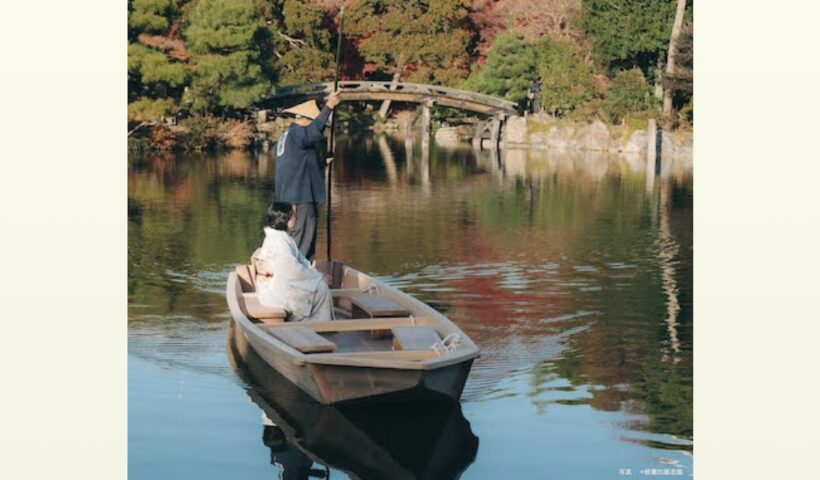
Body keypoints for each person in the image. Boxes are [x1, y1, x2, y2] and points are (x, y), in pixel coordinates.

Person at [275, 91, 341, 262]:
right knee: (302, 245)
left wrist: (322, 163)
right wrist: (329, 106)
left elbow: (297, 166)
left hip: (290, 199)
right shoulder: (298, 133)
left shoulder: (287, 137)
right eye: (313, 121)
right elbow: (312, 132)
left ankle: (302, 278)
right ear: (305, 119)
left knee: (300, 243)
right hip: (300, 200)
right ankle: (298, 281)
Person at [252, 202, 333, 322]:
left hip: (280, 282)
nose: (295, 218)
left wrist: (316, 274)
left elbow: (302, 261)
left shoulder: (280, 237)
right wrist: (318, 278)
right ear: (286, 220)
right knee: (321, 288)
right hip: (276, 291)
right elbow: (293, 271)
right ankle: (316, 324)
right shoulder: (280, 241)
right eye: (293, 216)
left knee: (319, 284)